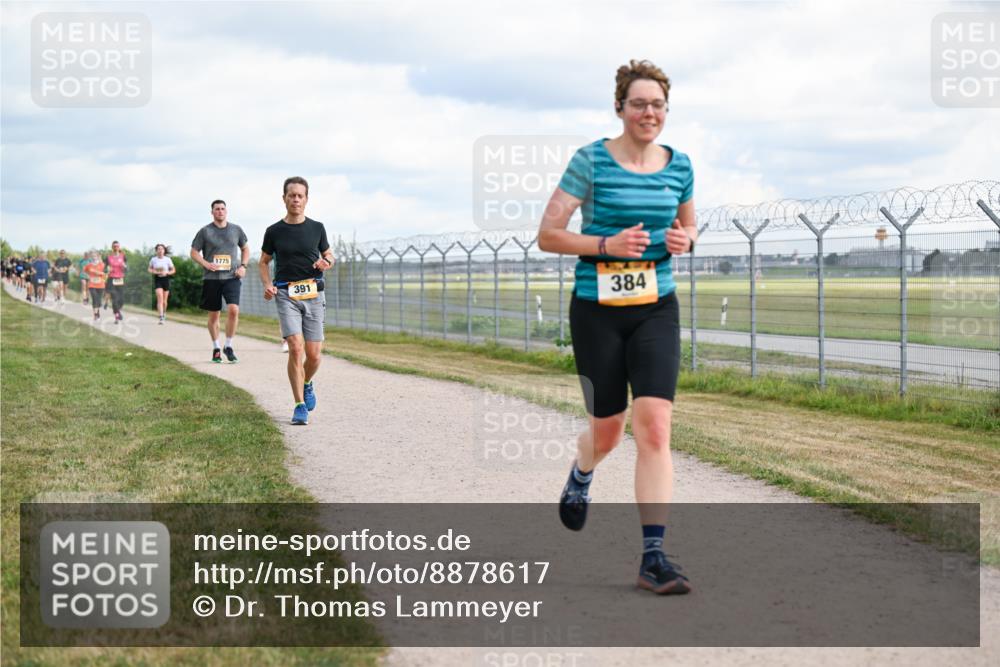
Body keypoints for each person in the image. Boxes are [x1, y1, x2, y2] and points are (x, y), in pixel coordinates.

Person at [537, 60, 697, 595]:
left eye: (658, 105)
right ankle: (582, 472)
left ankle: (654, 557)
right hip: (597, 309)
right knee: (608, 431)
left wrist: (685, 240)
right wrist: (604, 246)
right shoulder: (590, 162)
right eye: (639, 103)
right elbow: (549, 235)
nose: (649, 112)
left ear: (665, 111)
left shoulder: (680, 166)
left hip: (657, 304)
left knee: (653, 425)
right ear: (620, 108)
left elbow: (689, 223)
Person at [259, 176, 334, 425]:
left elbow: (329, 256)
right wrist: (268, 285)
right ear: (284, 198)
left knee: (313, 356)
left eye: (300, 195)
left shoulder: (317, 228)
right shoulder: (274, 231)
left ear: (306, 199)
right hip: (286, 294)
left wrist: (327, 262)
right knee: (295, 346)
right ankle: (299, 404)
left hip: (314, 294)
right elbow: (263, 262)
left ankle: (307, 381)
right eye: (291, 195)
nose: (296, 199)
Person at [191, 200, 249, 362]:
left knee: (233, 310)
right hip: (212, 278)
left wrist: (243, 266)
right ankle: (216, 347)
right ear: (212, 212)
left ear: (226, 211)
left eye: (223, 209)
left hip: (232, 277)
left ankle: (228, 345)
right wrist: (206, 264)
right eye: (217, 209)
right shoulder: (205, 231)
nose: (220, 211)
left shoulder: (236, 230)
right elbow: (194, 252)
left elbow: (245, 248)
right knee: (214, 316)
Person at [148, 244, 176, 323]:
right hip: (158, 279)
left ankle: (164, 313)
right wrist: (154, 271)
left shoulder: (168, 259)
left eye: (162, 249)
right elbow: (149, 269)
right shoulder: (153, 259)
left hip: (166, 279)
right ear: (156, 251)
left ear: (164, 251)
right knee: (159, 298)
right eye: (158, 249)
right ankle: (161, 317)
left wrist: (167, 272)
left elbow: (173, 270)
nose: (160, 250)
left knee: (164, 301)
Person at [104, 241, 128, 322]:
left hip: (120, 279)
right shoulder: (108, 258)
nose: (116, 247)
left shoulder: (123, 256)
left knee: (121, 300)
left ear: (119, 247)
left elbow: (127, 268)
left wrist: (125, 267)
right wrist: (107, 269)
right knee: (114, 298)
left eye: (117, 246)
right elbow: (104, 268)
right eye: (114, 246)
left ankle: (118, 310)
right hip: (111, 279)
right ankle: (117, 315)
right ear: (112, 247)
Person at [83, 251, 107, 322]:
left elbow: (105, 274)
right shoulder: (89, 265)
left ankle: (97, 312)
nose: (94, 257)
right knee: (94, 298)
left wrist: (97, 273)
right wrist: (89, 275)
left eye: (95, 256)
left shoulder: (102, 265)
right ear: (91, 257)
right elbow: (85, 271)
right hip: (92, 284)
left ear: (98, 256)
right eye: (92, 256)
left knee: (98, 301)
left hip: (100, 285)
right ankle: (95, 314)